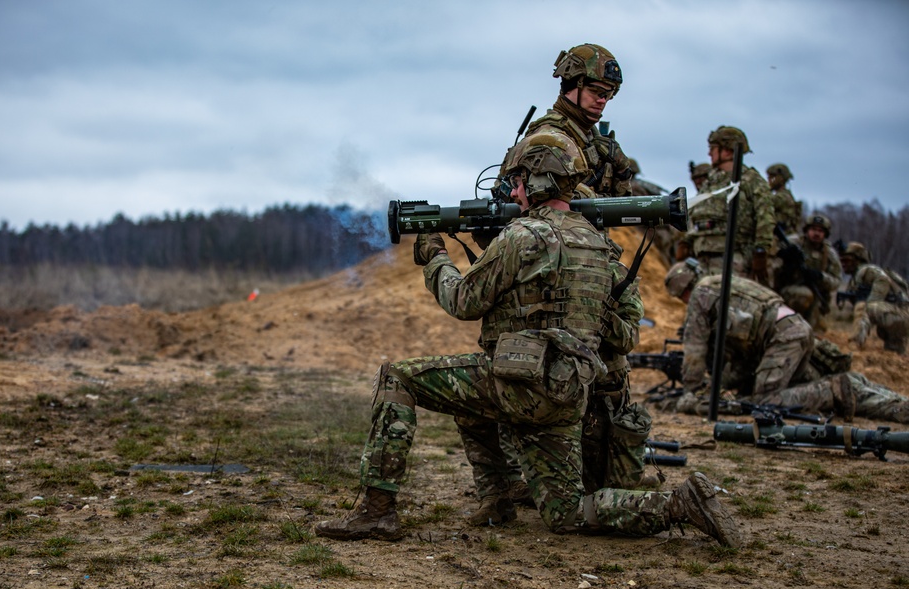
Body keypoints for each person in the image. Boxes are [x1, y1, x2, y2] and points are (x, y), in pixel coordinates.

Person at [314, 140, 740, 547]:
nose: (513, 191)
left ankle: (376, 511)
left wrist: (435, 259)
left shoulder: (521, 237)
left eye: (518, 182)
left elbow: (464, 301)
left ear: (537, 184)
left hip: (519, 383)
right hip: (566, 390)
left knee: (399, 377)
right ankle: (678, 505)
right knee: (568, 513)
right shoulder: (595, 243)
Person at [460, 44, 655, 527]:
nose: (603, 100)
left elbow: (621, 190)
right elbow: (559, 200)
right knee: (553, 374)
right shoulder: (550, 139)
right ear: (570, 84)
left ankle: (598, 478)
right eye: (596, 90)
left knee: (607, 375)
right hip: (555, 263)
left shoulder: (596, 140)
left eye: (609, 93)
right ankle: (523, 484)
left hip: (588, 260)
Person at [664, 260, 909, 422]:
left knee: (766, 402)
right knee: (803, 385)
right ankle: (892, 403)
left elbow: (694, 348)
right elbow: (746, 354)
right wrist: (724, 383)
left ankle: (832, 390)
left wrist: (692, 392)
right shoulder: (724, 282)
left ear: (683, 290)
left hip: (782, 338)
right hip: (795, 329)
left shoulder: (700, 295)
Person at [678, 126, 775, 286]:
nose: (709, 154)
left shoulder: (751, 181)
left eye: (713, 149)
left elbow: (765, 218)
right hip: (702, 256)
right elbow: (697, 212)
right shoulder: (711, 181)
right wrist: (687, 240)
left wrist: (760, 251)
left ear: (728, 151)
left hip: (733, 258)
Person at [774, 213, 842, 331]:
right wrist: (785, 257)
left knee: (815, 333)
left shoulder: (829, 254)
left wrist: (820, 276)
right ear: (806, 230)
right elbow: (772, 261)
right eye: (813, 229)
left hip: (817, 298)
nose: (816, 233)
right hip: (788, 290)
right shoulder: (793, 242)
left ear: (825, 234)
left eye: (820, 231)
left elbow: (836, 281)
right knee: (803, 295)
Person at [839, 242, 909, 354]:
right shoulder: (856, 277)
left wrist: (871, 303)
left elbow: (882, 280)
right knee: (894, 354)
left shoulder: (866, 270)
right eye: (842, 261)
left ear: (858, 259)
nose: (843, 264)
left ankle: (854, 345)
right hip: (900, 316)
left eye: (847, 261)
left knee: (866, 307)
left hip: (900, 314)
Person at [767, 163, 803, 236]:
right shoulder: (785, 195)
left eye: (772, 177)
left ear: (781, 179)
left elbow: (764, 202)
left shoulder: (783, 197)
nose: (769, 180)